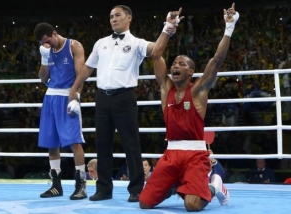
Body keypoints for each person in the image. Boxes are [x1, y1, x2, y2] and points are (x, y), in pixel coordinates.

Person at [139, 4, 239, 211]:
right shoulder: (166, 88)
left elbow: (217, 59)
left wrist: (229, 27)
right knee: (144, 203)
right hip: (171, 153)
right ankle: (177, 184)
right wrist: (168, 27)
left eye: (182, 64)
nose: (175, 66)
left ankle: (215, 185)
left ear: (192, 72)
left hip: (195, 155)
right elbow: (156, 56)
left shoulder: (199, 90)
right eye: (175, 63)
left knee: (192, 206)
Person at [68, 5, 155, 202]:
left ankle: (136, 189)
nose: (113, 19)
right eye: (111, 16)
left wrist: (168, 29)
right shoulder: (101, 43)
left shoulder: (136, 43)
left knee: (131, 144)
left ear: (129, 18)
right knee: (103, 144)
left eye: (117, 15)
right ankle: (104, 189)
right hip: (102, 98)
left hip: (125, 97)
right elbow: (88, 68)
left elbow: (155, 48)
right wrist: (74, 88)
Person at [33, 22, 87, 200]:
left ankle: (81, 186)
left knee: (74, 141)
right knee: (52, 143)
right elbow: (43, 78)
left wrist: (76, 97)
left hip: (67, 96)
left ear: (55, 33)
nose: (48, 45)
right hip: (50, 97)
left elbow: (81, 75)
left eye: (49, 41)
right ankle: (56, 186)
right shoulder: (47, 50)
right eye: (44, 43)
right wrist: (44, 58)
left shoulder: (74, 46)